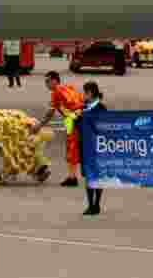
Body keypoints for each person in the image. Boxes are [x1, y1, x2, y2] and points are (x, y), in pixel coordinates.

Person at [32, 71, 84, 187]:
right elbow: (81, 100)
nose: (46, 84)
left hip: (72, 119)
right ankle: (72, 176)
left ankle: (72, 178)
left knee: (72, 149)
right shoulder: (68, 87)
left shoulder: (56, 93)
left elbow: (50, 114)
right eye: (45, 82)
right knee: (74, 148)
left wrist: (39, 126)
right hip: (78, 117)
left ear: (55, 80)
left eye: (48, 81)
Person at [76, 81, 107, 215]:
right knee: (88, 176)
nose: (84, 96)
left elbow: (106, 126)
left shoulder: (101, 108)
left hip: (98, 146)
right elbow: (74, 127)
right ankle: (90, 204)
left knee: (97, 176)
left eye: (85, 93)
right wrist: (73, 119)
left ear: (90, 93)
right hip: (85, 146)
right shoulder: (83, 108)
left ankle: (96, 204)